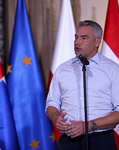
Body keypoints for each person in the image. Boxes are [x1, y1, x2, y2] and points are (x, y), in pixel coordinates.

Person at [46, 20, 119, 150]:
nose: (77, 42)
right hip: (68, 141)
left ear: (97, 42)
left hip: (100, 141)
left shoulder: (112, 69)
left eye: (84, 38)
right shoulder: (63, 69)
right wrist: (56, 118)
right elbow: (52, 103)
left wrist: (89, 125)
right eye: (76, 37)